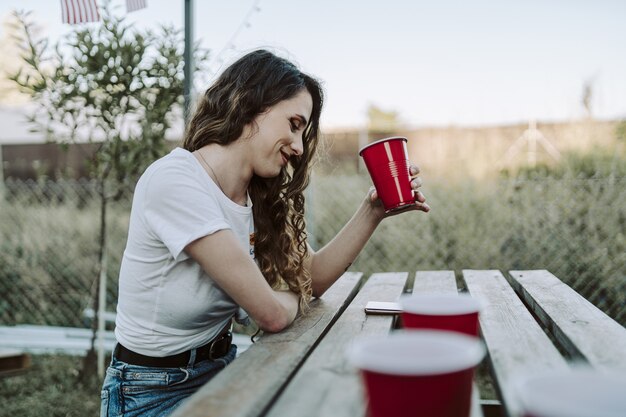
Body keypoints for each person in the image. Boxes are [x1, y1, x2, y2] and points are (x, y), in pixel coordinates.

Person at [100, 49, 430, 417]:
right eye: (293, 124)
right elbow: (271, 315)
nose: (299, 146)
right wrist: (292, 298)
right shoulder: (175, 181)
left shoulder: (256, 196)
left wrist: (373, 211)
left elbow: (311, 278)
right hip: (149, 392)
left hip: (224, 367)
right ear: (251, 105)